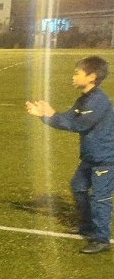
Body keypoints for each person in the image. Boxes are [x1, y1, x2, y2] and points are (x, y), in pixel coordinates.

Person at [26, 55, 114, 254]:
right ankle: (87, 225)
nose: (73, 77)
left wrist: (48, 116)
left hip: (106, 158)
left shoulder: (97, 101)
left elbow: (77, 125)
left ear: (91, 77)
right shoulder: (85, 98)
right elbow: (68, 117)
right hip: (91, 156)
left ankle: (101, 239)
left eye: (77, 73)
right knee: (78, 187)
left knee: (99, 198)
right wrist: (47, 114)